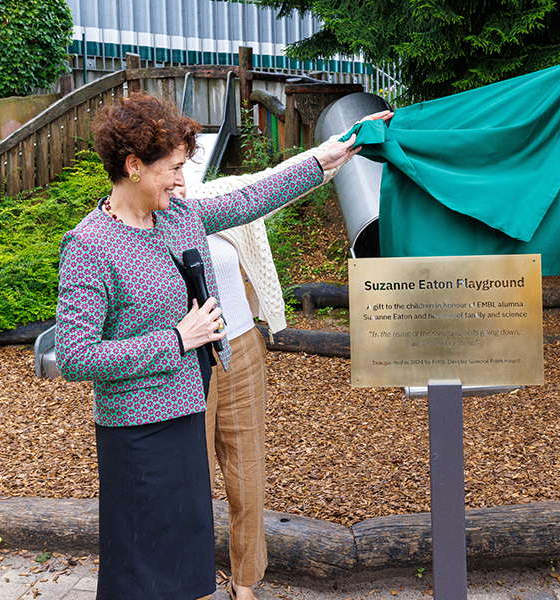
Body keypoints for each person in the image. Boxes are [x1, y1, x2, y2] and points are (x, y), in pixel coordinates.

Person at [54, 92, 364, 600]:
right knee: (141, 570)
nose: (181, 180)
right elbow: (76, 356)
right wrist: (178, 339)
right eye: (172, 168)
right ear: (133, 166)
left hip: (184, 416)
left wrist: (329, 156)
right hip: (136, 434)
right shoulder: (88, 246)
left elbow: (254, 197)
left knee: (187, 565)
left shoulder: (178, 216)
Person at [180, 124, 390, 600]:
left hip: (242, 349)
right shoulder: (148, 224)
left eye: (184, 160)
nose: (179, 171)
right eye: (171, 162)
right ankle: (186, 580)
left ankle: (245, 581)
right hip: (188, 366)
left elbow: (277, 183)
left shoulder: (218, 198)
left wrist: (349, 140)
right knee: (190, 479)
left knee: (247, 473)